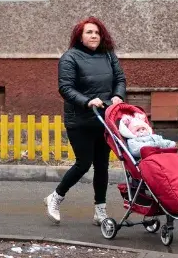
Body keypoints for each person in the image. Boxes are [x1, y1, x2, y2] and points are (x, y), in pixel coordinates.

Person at [44, 17, 126, 225]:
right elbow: (66, 88)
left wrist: (118, 96)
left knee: (102, 165)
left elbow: (120, 79)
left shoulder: (108, 55)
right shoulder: (70, 58)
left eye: (97, 32)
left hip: (104, 117)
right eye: (89, 32)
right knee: (84, 163)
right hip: (79, 120)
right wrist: (87, 101)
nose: (94, 36)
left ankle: (100, 211)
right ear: (80, 37)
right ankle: (56, 197)